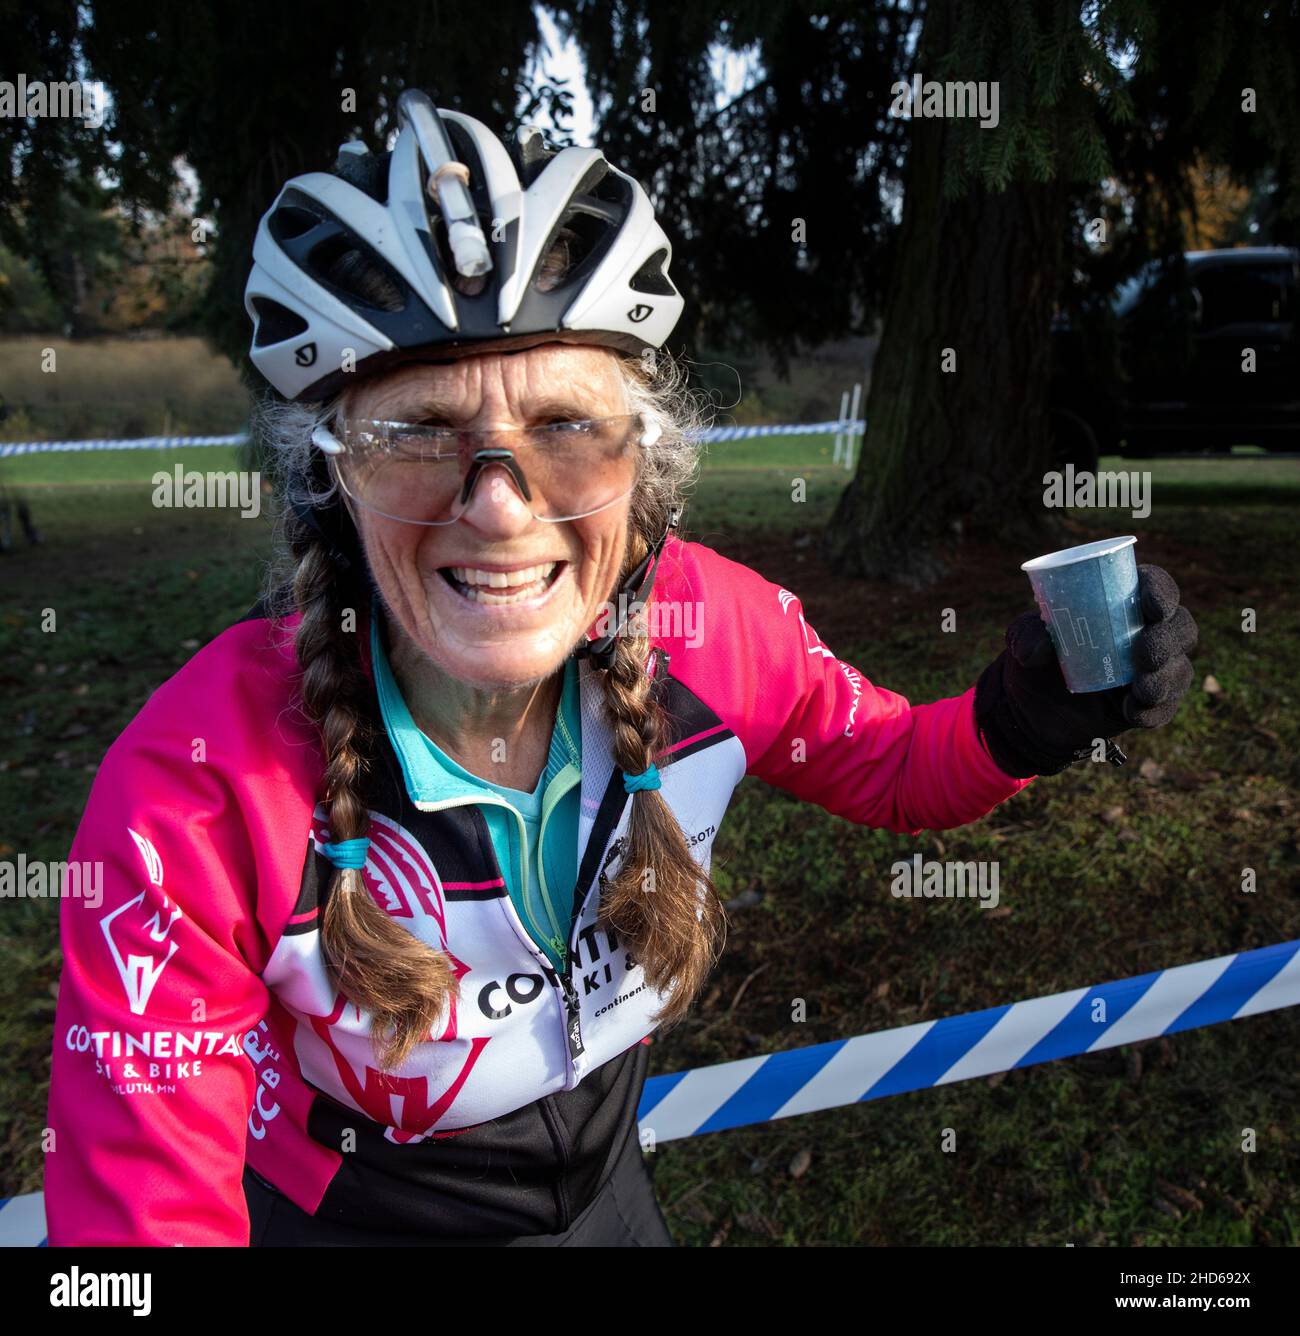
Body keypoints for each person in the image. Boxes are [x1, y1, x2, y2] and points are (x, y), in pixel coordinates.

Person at [43, 92, 1198, 1247]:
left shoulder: (710, 626)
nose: (498, 508)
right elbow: (138, 1231)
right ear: (325, 487)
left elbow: (890, 764)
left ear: (644, 474)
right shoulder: (191, 785)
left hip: (604, 1196)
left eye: (564, 426)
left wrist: (1027, 714)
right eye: (415, 432)